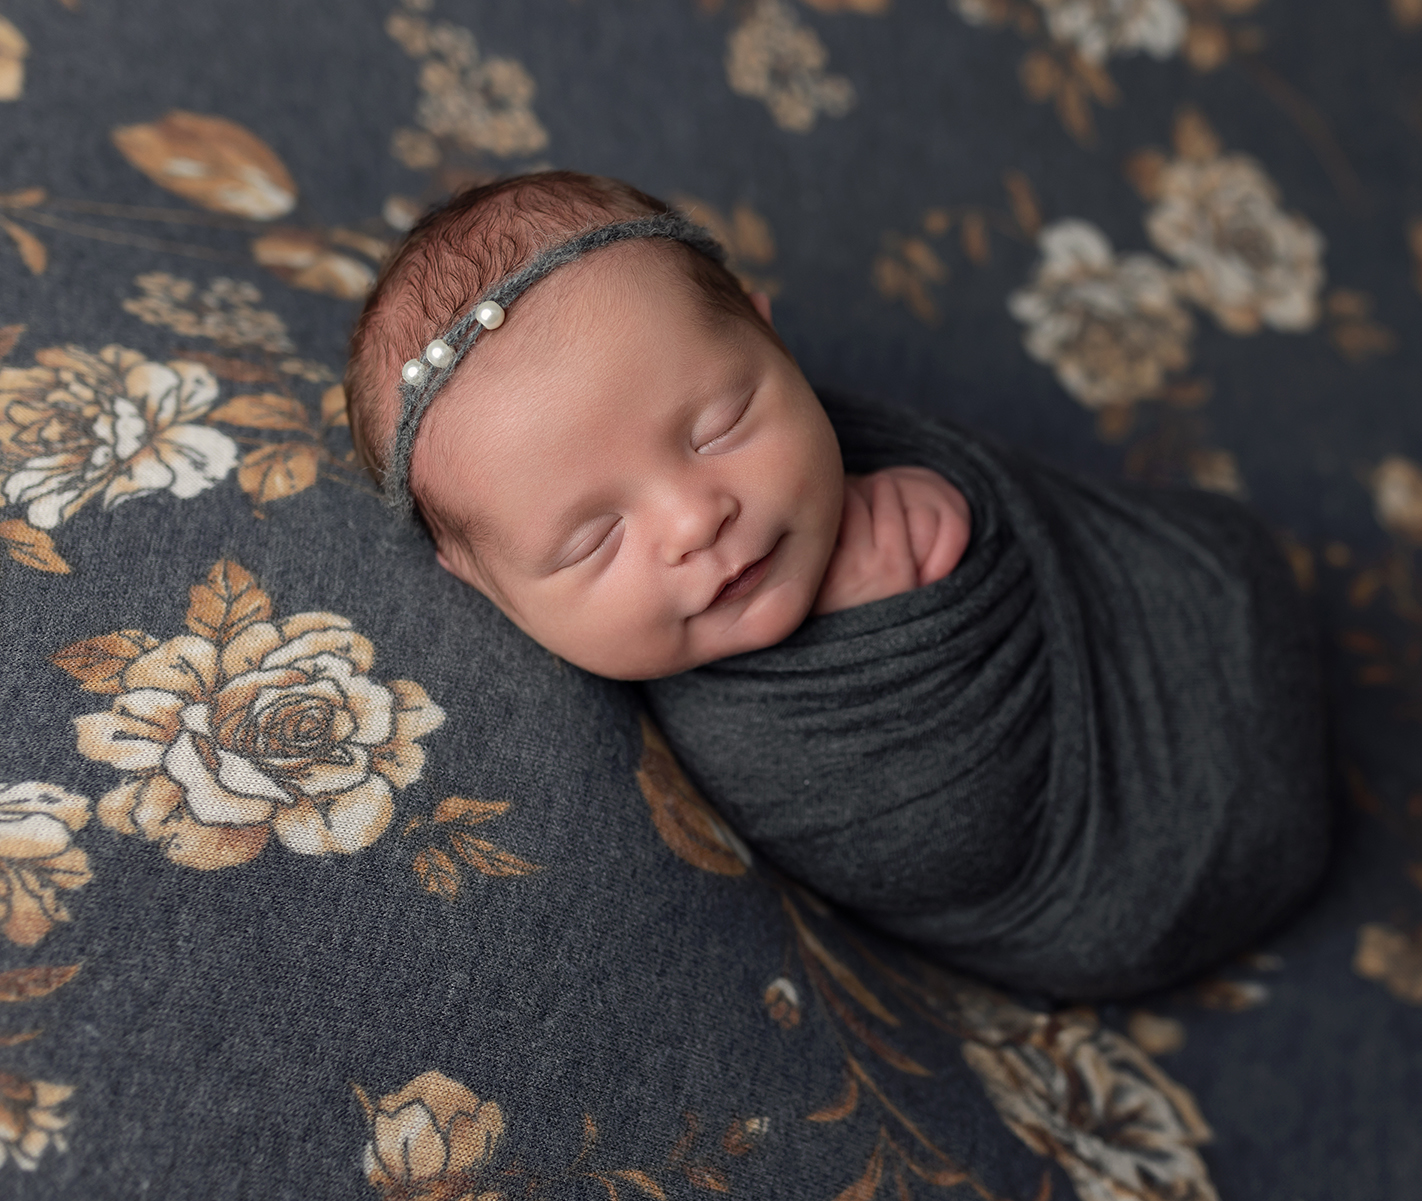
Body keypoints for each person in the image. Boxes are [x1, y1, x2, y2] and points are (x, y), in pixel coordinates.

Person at [346, 171, 1329, 999]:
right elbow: (945, 846)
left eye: (721, 426)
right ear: (482, 586)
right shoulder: (744, 741)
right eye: (595, 539)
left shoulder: (825, 445)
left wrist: (961, 508)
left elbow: (1023, 500)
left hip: (1193, 615)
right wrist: (919, 623)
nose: (695, 520)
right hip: (1150, 872)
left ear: (775, 342)